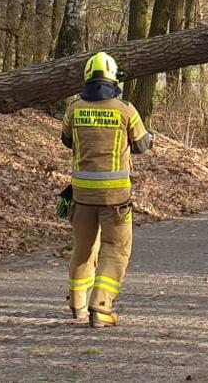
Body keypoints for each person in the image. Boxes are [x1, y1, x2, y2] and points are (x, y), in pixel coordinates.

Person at [61, 52, 153, 327]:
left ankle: (77, 304)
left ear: (87, 77)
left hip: (81, 194)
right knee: (115, 248)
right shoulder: (125, 109)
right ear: (113, 78)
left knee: (83, 247)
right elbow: (141, 145)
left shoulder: (74, 108)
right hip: (116, 197)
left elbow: (66, 140)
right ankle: (100, 307)